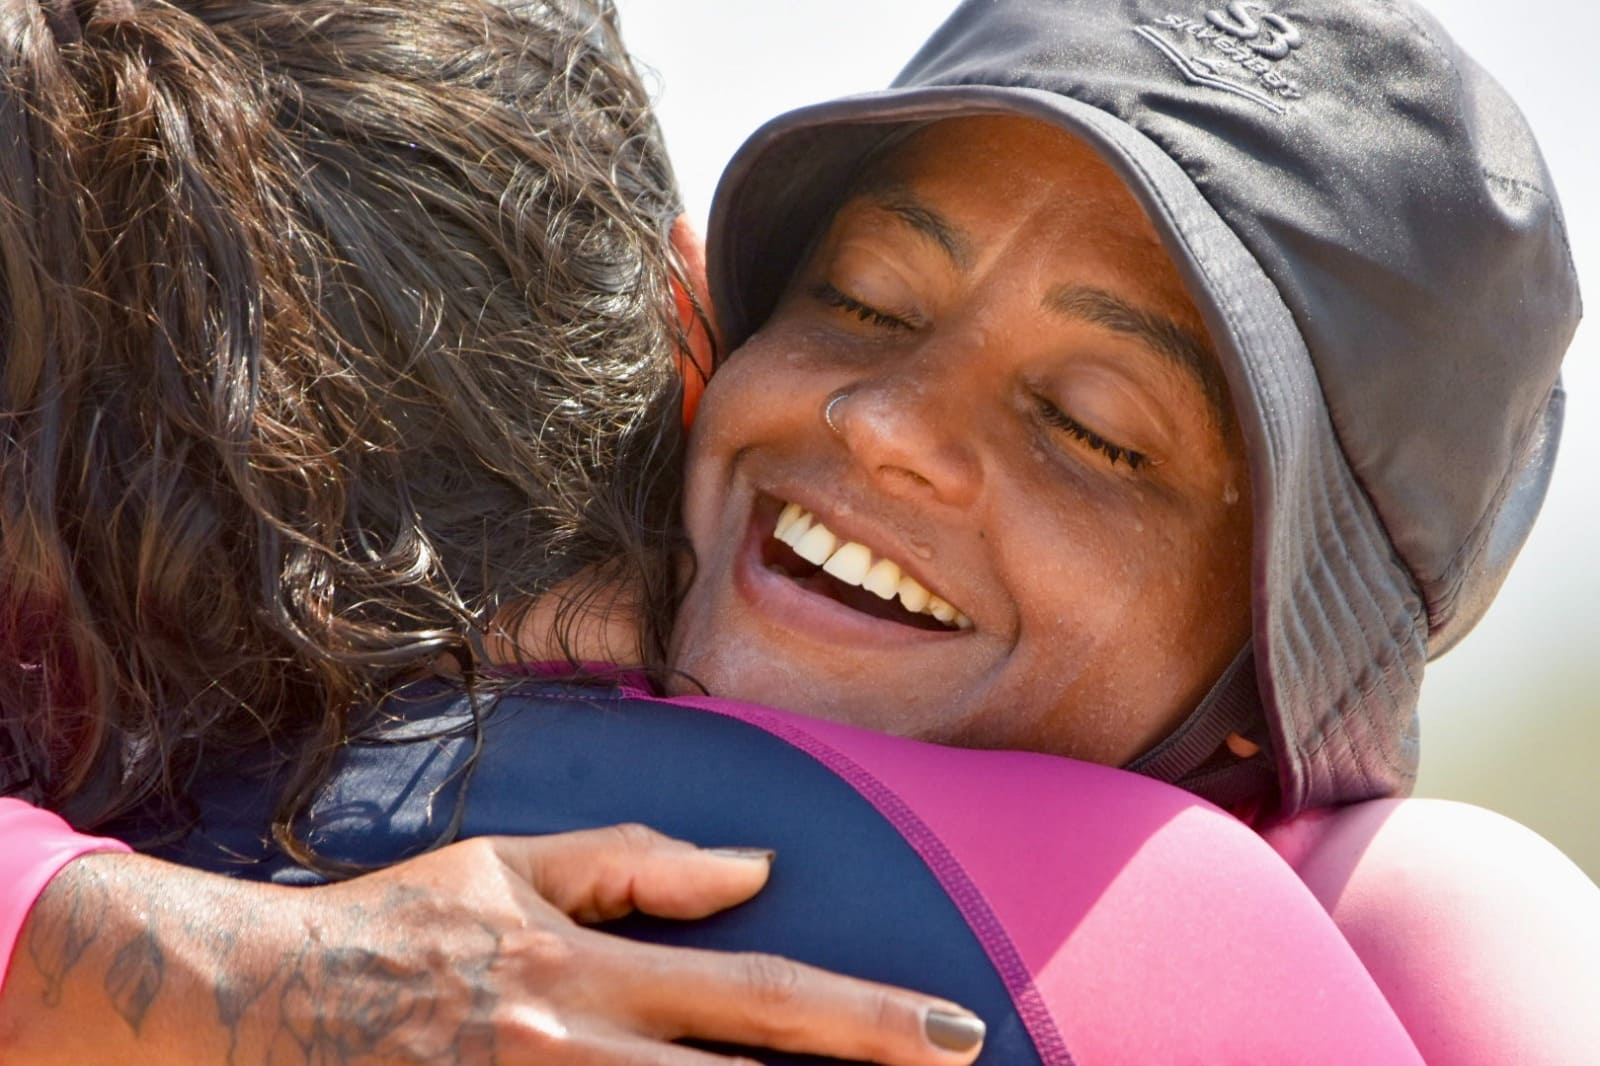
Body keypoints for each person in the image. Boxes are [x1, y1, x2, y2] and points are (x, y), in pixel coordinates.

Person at [159, 0, 1598, 1063]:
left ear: (1270, 678)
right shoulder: (393, 656)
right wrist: (210, 960)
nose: (889, 422)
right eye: (865, 299)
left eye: (1095, 426)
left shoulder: (1392, 928)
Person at [0, 0, 987, 1062]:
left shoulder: (105, 792)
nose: (890, 437)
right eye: (865, 304)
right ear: (689, 315)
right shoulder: (1093, 908)